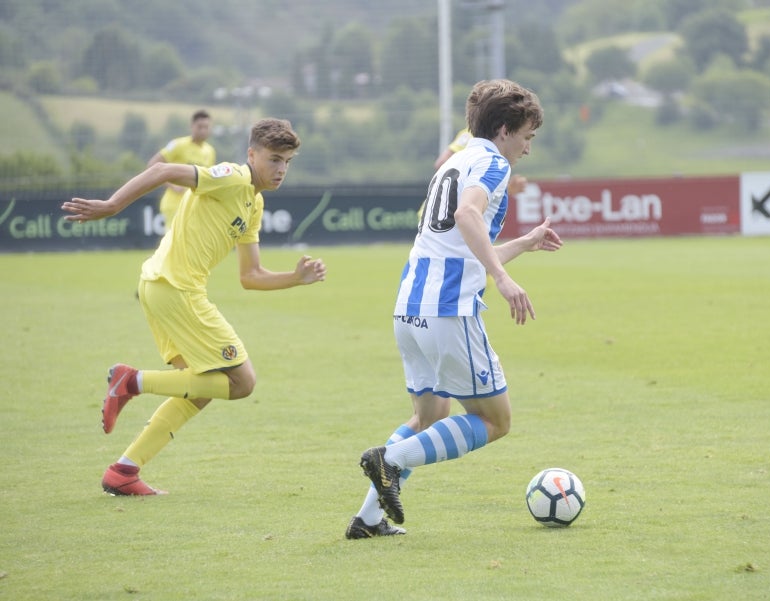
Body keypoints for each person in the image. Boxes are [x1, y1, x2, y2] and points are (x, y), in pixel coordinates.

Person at [61, 118, 327, 496]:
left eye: (287, 161)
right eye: (273, 159)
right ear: (251, 154)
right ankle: (132, 380)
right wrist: (112, 205)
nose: (281, 168)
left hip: (160, 287)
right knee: (241, 382)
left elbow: (250, 276)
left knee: (204, 386)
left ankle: (124, 471)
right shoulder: (233, 177)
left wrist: (295, 278)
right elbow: (165, 169)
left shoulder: (255, 202)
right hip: (176, 290)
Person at [346, 79, 562, 539]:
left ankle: (366, 520)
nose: (528, 147)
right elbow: (466, 216)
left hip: (410, 309)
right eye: (527, 136)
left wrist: (522, 244)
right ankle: (390, 459)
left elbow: (459, 248)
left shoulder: (458, 159)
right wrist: (503, 280)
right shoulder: (492, 163)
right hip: (448, 311)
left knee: (430, 417)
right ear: (504, 130)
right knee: (495, 420)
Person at [147, 109, 217, 231]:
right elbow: (153, 164)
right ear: (192, 126)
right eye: (199, 127)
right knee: (173, 243)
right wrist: (173, 186)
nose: (203, 130)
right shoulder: (178, 145)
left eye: (206, 127)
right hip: (174, 204)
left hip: (195, 205)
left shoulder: (210, 151)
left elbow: (207, 179)